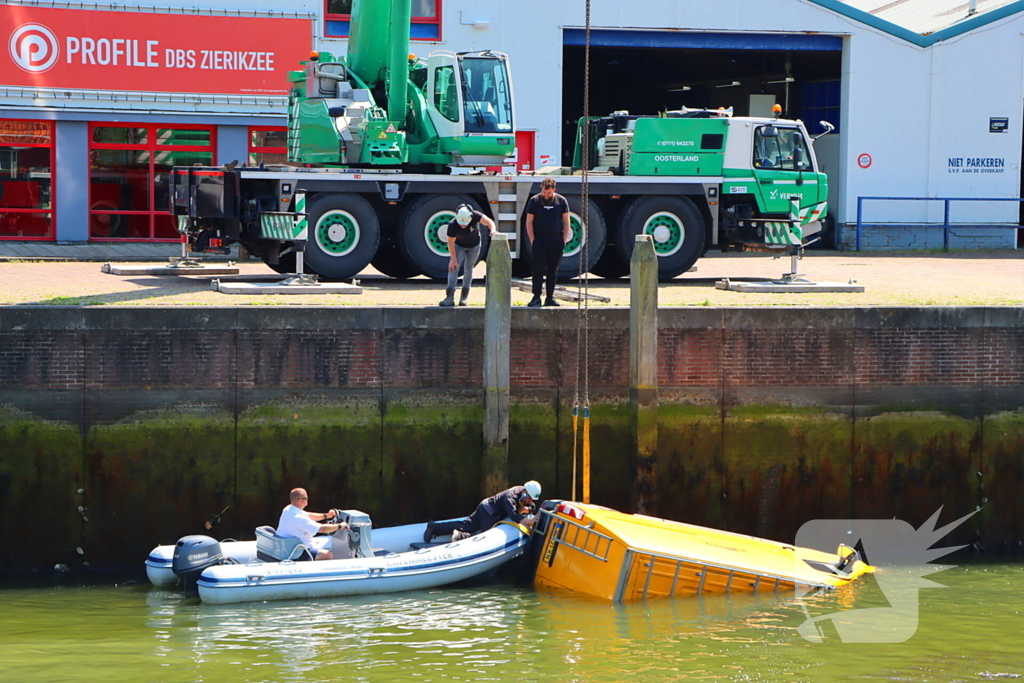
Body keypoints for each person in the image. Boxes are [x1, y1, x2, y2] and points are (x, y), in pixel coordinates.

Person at [423, 480, 542, 543]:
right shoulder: (510, 496)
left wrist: (527, 509)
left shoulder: (522, 494)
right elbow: (513, 515)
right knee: (486, 536)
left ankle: (436, 527)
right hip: (489, 512)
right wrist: (528, 521)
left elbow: (531, 506)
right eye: (529, 498)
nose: (530, 501)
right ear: (525, 492)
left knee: (467, 525)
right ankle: (461, 537)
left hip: (486, 506)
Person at [525, 178, 571, 307]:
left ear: (554, 190)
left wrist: (564, 240)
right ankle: (536, 297)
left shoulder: (561, 201)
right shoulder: (534, 201)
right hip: (539, 240)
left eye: (549, 193)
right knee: (537, 270)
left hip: (556, 240)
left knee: (553, 270)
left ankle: (550, 296)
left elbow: (567, 222)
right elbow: (529, 222)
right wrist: (533, 239)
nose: (546, 195)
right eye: (544, 193)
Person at [440, 204, 497, 307]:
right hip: (459, 246)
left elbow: (489, 221)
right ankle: (449, 297)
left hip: (474, 246)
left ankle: (464, 298)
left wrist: (492, 230)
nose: (463, 226)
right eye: (461, 224)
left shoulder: (475, 215)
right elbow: (450, 243)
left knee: (469, 269)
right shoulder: (452, 225)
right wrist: (453, 259)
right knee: (453, 268)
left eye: (465, 224)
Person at [277, 487, 348, 561]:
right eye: (306, 498)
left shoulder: (288, 509)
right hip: (299, 553)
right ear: (300, 500)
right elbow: (322, 529)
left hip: (287, 548)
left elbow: (309, 515)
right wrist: (340, 526)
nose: (308, 499)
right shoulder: (299, 519)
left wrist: (326, 515)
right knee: (328, 555)